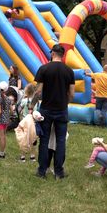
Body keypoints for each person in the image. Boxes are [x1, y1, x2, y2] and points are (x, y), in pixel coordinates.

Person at [32, 44, 75, 179]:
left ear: (52, 53)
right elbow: (72, 94)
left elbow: (38, 91)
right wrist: (64, 103)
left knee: (44, 140)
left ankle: (42, 171)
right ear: (62, 55)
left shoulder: (44, 68)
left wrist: (31, 105)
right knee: (60, 140)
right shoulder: (69, 71)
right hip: (62, 109)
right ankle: (59, 172)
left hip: (46, 109)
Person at [0, 81, 11, 159]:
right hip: (6, 120)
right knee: (4, 136)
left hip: (0, 121)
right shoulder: (8, 99)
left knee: (1, 137)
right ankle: (3, 151)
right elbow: (12, 110)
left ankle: (1, 154)